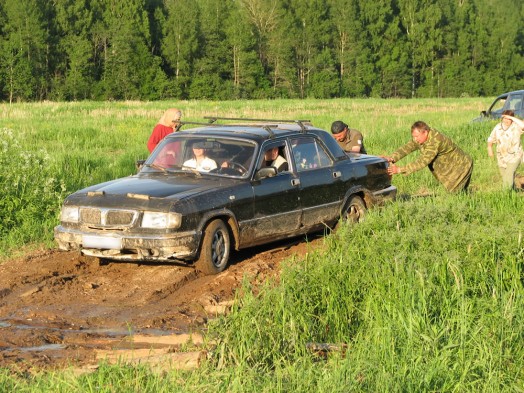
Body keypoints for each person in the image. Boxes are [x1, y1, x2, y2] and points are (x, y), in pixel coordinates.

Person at [385, 121, 473, 193]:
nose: (415, 139)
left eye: (416, 136)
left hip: (461, 167)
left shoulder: (435, 141)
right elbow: (407, 148)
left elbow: (422, 161)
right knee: (459, 193)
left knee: (455, 194)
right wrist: (392, 158)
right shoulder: (422, 138)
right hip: (451, 168)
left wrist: (400, 169)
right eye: (413, 137)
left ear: (425, 132)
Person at [487, 110, 524, 190]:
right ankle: (515, 191)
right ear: (502, 118)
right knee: (505, 176)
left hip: (515, 155)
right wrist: (489, 148)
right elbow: (491, 138)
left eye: (509, 119)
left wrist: (511, 117)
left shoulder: (516, 126)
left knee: (509, 174)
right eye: (505, 118)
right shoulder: (498, 127)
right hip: (501, 156)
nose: (506, 121)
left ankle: (505, 194)